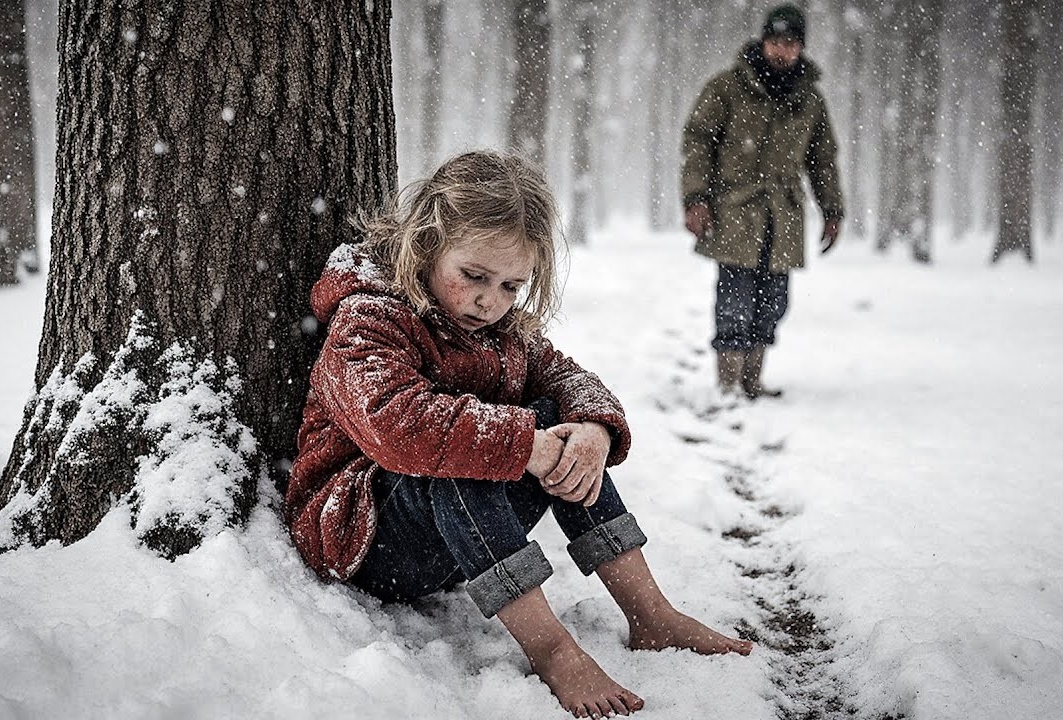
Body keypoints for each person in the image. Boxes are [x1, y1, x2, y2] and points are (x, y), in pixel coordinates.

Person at [287, 151, 752, 718]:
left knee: (558, 412)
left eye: (512, 285)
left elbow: (567, 376)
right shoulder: (367, 320)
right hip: (363, 536)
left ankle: (649, 613)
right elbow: (398, 427)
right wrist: (524, 445)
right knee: (468, 453)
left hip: (452, 539)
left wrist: (591, 430)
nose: (491, 300)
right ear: (426, 246)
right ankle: (553, 651)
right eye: (474, 277)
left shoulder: (498, 330)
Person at [681, 4, 844, 399]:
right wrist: (695, 198)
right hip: (735, 208)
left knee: (773, 302)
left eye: (789, 43)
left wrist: (832, 210)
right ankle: (728, 383)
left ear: (800, 47)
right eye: (775, 41)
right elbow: (698, 141)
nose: (781, 51)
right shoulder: (727, 87)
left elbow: (822, 160)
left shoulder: (810, 100)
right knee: (734, 298)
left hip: (784, 212)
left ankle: (753, 380)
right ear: (763, 41)